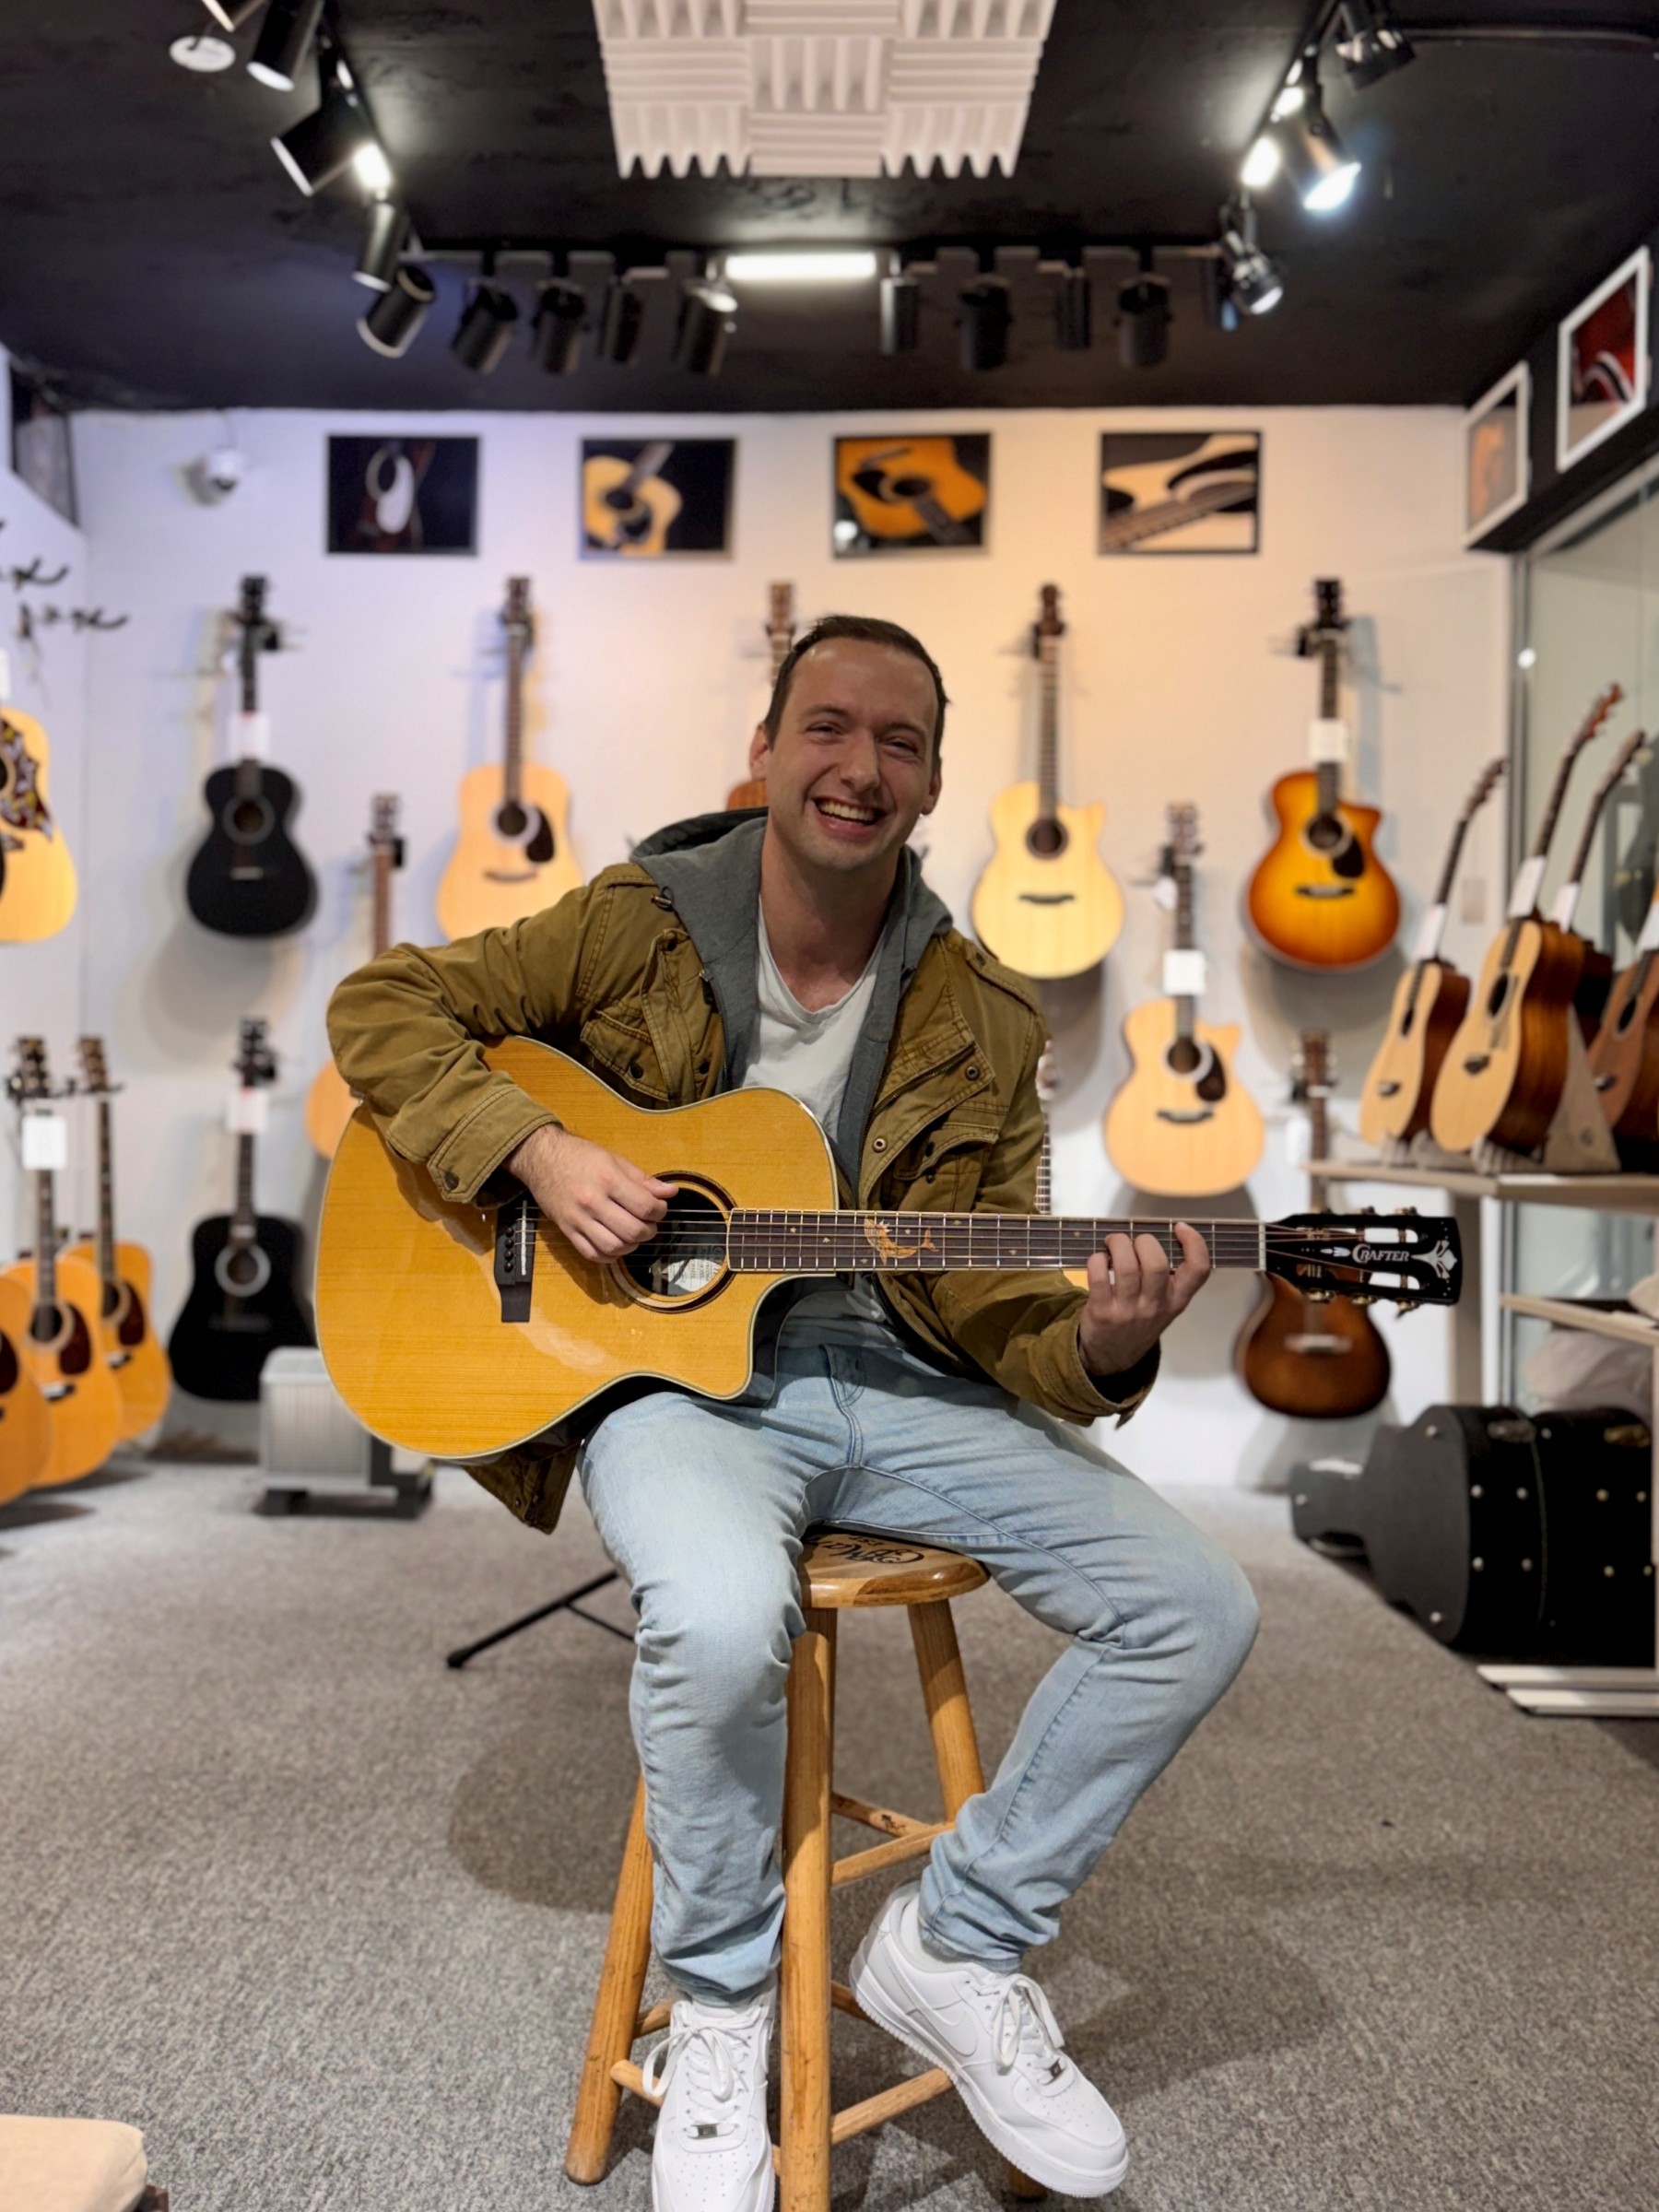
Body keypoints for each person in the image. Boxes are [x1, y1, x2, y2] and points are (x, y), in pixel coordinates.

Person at [328, 615, 1259, 2207]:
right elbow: (382, 1007)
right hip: (673, 1383)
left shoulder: (985, 1015)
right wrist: (539, 1150)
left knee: (1198, 1604)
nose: (860, 767)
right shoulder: (636, 922)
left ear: (936, 781)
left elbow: (992, 1302)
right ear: (764, 751)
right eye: (828, 727)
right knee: (714, 1620)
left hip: (898, 1381)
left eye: (900, 742)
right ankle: (721, 2005)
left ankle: (955, 1947)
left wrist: (1102, 1342)